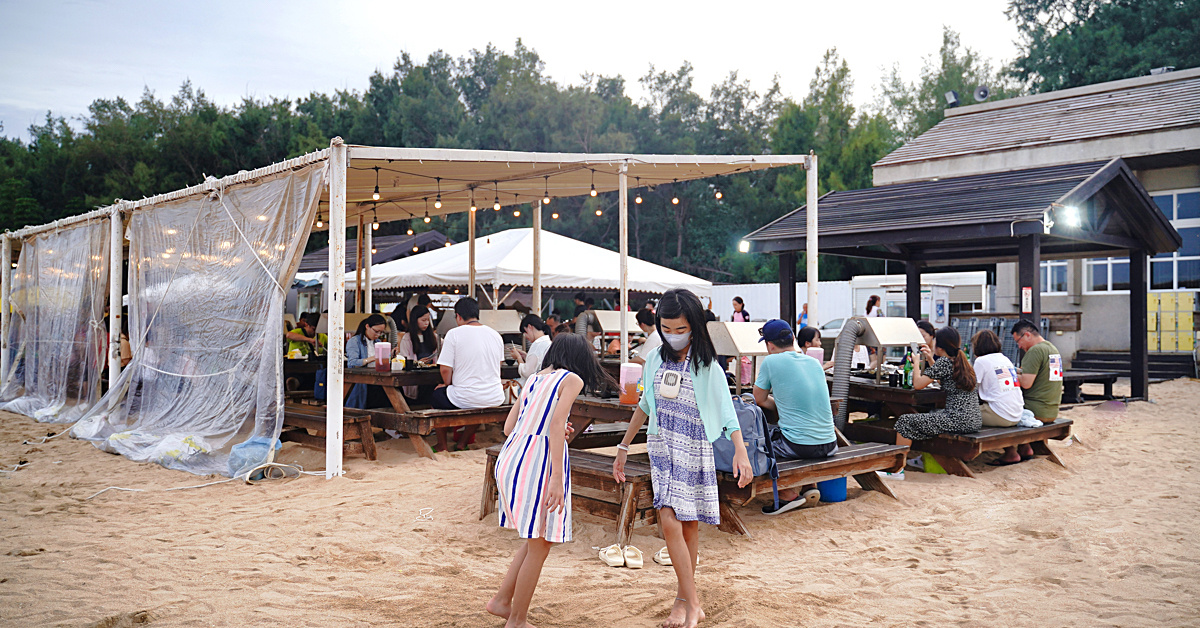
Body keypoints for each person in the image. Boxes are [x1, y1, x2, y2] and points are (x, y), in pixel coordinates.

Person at [613, 288, 753, 628]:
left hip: (694, 446)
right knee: (668, 517)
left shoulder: (708, 364)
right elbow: (645, 405)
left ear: (694, 325)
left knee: (688, 526)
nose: (673, 335)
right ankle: (693, 603)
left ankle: (683, 601)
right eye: (666, 328)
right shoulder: (657, 358)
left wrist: (741, 451)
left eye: (681, 329)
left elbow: (726, 409)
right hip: (662, 444)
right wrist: (623, 445)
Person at [487, 334, 613, 628]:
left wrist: (550, 427)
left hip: (512, 456)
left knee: (536, 540)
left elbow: (509, 427)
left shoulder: (532, 379)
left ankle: (502, 602)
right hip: (536, 463)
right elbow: (556, 425)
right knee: (540, 543)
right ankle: (517, 620)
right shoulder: (572, 380)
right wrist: (557, 477)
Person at [752, 320, 838, 515]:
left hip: (800, 446)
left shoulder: (771, 361)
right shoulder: (813, 363)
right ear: (793, 338)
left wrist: (778, 403)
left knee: (760, 444)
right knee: (797, 432)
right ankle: (808, 485)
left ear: (769, 345)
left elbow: (758, 399)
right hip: (830, 443)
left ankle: (787, 494)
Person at [434, 297, 504, 451]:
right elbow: (498, 366)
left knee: (437, 396)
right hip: (494, 396)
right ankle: (462, 442)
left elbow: (445, 369)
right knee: (477, 401)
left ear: (458, 316)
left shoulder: (454, 334)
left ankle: (442, 444)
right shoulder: (495, 335)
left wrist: (446, 385)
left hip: (467, 396)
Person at [894, 327, 982, 442]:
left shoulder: (944, 362)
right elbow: (944, 379)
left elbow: (917, 384)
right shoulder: (963, 361)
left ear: (940, 347)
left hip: (957, 421)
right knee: (928, 415)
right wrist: (930, 359)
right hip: (973, 420)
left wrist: (916, 362)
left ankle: (901, 458)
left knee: (904, 421)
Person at [968, 330, 1030, 465]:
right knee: (995, 406)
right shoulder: (1004, 358)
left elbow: (970, 387)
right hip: (1016, 413)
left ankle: (961, 454)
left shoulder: (981, 361)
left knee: (962, 414)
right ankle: (1013, 451)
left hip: (1001, 415)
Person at [396, 304, 441, 404]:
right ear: (415, 320)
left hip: (432, 379)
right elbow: (403, 361)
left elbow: (444, 346)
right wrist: (418, 363)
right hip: (415, 381)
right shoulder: (407, 338)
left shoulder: (433, 336)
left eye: (428, 320)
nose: (426, 323)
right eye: (423, 320)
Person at [345, 314, 392, 409]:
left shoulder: (378, 342)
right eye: (376, 331)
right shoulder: (354, 341)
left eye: (381, 332)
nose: (378, 335)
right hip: (362, 383)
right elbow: (352, 363)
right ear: (367, 326)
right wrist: (371, 358)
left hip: (378, 380)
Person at [513, 314, 552, 387]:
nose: (525, 336)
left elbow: (527, 372)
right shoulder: (547, 342)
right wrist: (526, 356)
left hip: (534, 387)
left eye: (525, 332)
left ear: (530, 327)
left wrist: (518, 358)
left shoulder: (537, 345)